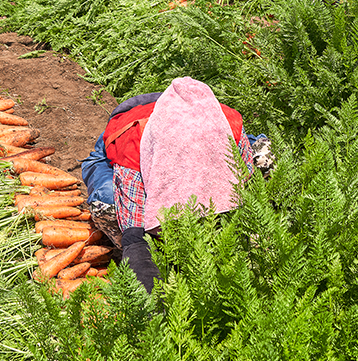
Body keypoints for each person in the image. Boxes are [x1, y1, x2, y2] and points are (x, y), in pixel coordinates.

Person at [80, 78, 272, 293]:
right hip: (133, 120)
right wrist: (151, 296)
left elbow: (243, 191)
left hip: (206, 122)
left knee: (266, 158)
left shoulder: (229, 123)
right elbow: (135, 237)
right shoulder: (135, 148)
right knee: (106, 203)